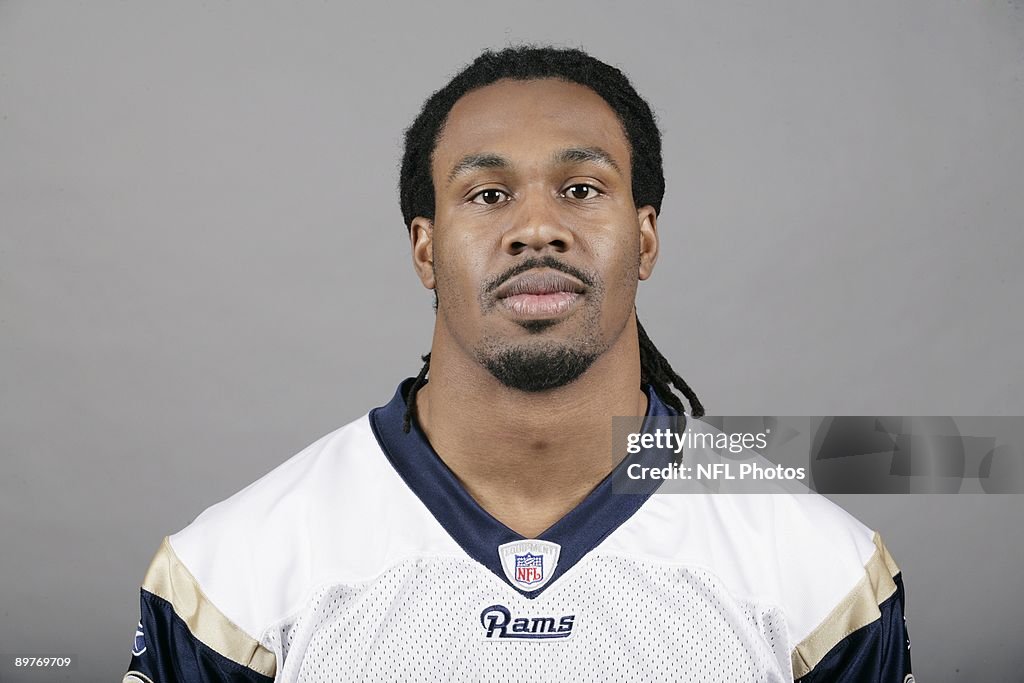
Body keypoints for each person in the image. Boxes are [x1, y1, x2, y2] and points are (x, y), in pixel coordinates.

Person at [122, 45, 914, 682]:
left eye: (580, 187)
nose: (537, 227)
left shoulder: (823, 576)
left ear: (645, 239)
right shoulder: (230, 576)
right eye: (489, 195)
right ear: (425, 249)